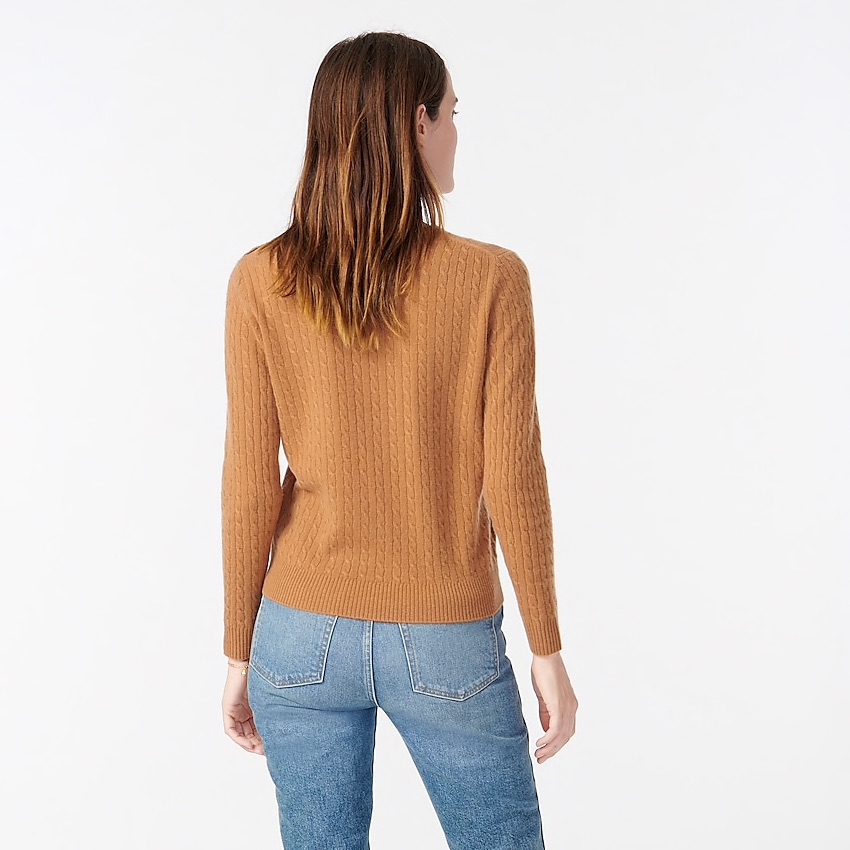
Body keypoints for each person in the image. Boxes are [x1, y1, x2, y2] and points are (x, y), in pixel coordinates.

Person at [219, 30, 578, 850]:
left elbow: (248, 482)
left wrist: (239, 652)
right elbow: (514, 473)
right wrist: (547, 648)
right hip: (446, 632)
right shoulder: (492, 279)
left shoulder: (260, 280)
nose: (456, 131)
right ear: (418, 123)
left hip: (297, 635)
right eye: (451, 113)